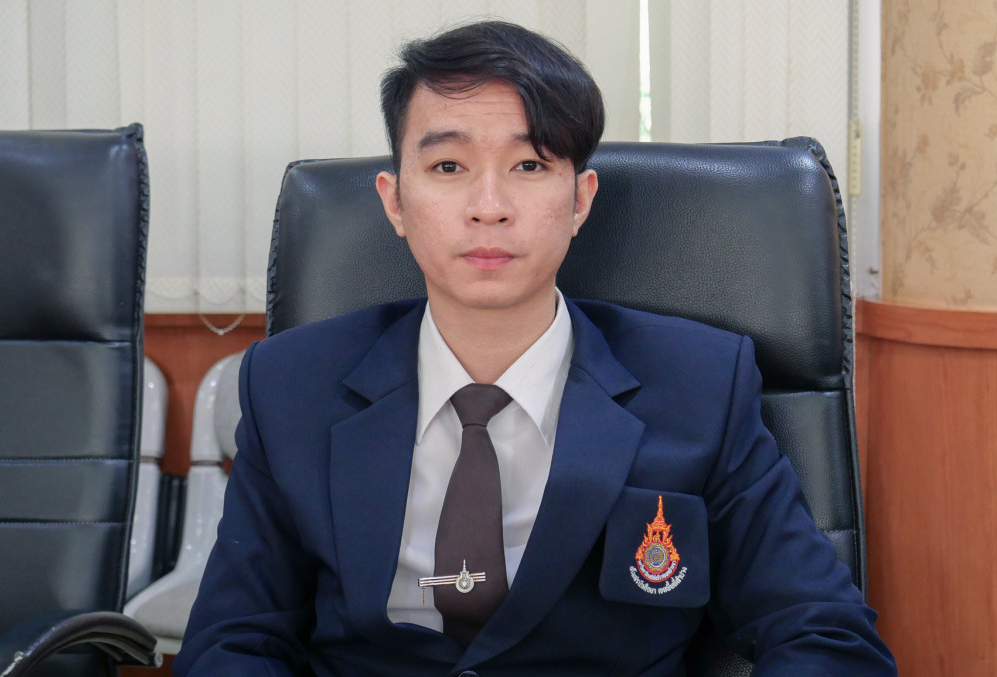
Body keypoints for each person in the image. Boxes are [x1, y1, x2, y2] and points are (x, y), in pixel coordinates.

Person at [176, 20, 896, 676]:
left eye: (529, 165)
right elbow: (233, 642)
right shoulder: (292, 385)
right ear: (395, 201)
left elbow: (824, 635)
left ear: (580, 199)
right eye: (448, 167)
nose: (489, 207)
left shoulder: (700, 385)